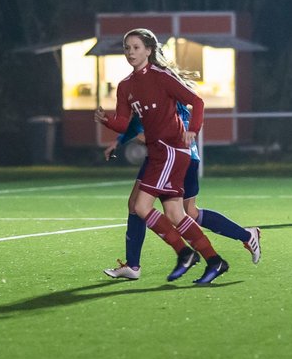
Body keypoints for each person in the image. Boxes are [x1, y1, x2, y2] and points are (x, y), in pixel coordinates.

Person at [95, 28, 229, 285]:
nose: (130, 53)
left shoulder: (161, 76)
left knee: (140, 207)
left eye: (136, 47)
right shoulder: (125, 86)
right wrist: (107, 121)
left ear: (148, 50)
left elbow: (196, 102)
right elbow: (125, 123)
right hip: (158, 152)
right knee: (175, 214)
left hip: (171, 149)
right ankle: (215, 261)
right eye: (127, 48)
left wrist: (193, 130)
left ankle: (184, 253)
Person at [102, 104, 261, 280]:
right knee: (186, 212)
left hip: (170, 155)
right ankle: (244, 236)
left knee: (149, 207)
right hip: (180, 154)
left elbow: (159, 127)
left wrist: (142, 136)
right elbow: (140, 123)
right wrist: (120, 139)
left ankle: (199, 257)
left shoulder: (155, 88)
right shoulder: (155, 88)